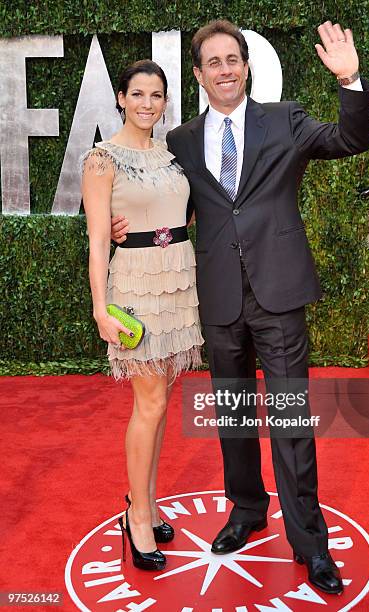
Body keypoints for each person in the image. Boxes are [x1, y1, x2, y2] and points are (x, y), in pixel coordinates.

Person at [112, 20, 369, 594]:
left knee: (289, 420)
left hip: (279, 293)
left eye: (234, 59)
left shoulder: (286, 119)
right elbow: (161, 198)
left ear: (246, 66)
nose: (225, 69)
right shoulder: (179, 141)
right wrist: (123, 226)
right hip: (218, 294)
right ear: (200, 74)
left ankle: (309, 541)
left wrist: (350, 79)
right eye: (214, 62)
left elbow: (349, 140)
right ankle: (246, 510)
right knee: (231, 415)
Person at [81, 59, 204, 571]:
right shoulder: (100, 159)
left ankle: (144, 504)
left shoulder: (170, 154)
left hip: (177, 278)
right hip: (135, 286)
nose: (147, 104)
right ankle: (135, 517)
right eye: (138, 94)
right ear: (120, 98)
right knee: (149, 404)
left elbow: (187, 212)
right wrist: (99, 309)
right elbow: (94, 241)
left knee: (161, 402)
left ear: (164, 101)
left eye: (156, 96)